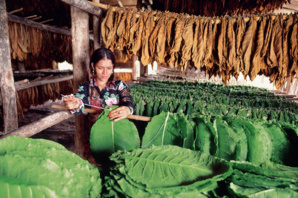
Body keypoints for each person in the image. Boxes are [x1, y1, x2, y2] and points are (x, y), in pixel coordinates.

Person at [63, 48, 135, 162]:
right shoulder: (85, 87)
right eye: (100, 68)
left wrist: (127, 109)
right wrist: (73, 103)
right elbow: (80, 103)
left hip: (117, 134)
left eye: (109, 68)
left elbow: (128, 101)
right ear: (93, 66)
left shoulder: (119, 85)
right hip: (94, 137)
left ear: (113, 67)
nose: (105, 73)